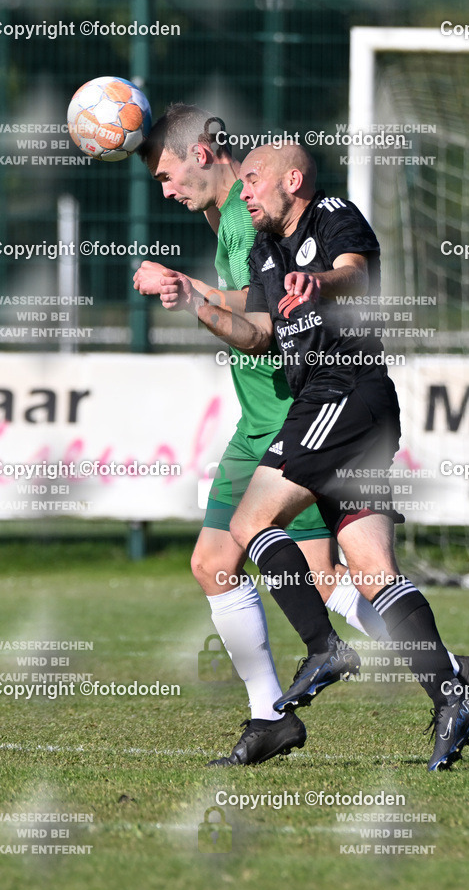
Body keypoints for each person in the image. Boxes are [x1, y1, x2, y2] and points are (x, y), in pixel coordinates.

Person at [162, 141, 469, 771]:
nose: (245, 191)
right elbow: (259, 332)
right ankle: (453, 687)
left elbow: (355, 273)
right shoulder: (263, 250)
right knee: (371, 574)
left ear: (293, 180)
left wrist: (319, 281)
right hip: (349, 407)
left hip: (343, 390)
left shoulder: (332, 212)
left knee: (250, 523)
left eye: (253, 181)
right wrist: (199, 305)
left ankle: (324, 647)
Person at [133, 106, 392, 766]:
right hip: (257, 421)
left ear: (203, 153)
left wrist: (180, 287)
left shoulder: (256, 220)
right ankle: (271, 715)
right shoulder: (226, 218)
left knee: (316, 573)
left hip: (287, 415)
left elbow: (263, 317)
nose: (164, 191)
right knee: (228, 565)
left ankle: (436, 668)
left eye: (167, 175)